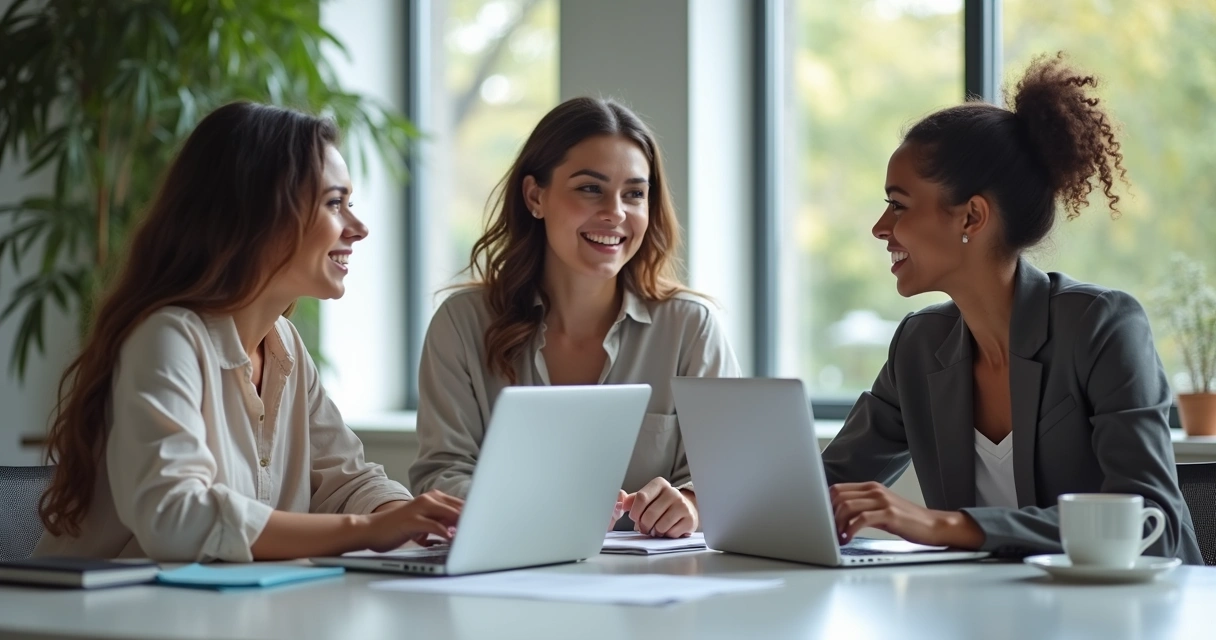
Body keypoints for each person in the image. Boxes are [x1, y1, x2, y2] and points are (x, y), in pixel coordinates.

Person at [35, 102, 461, 562]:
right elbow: (175, 518)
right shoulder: (167, 338)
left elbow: (348, 480)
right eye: (335, 203)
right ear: (259, 213)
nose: (358, 228)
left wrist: (420, 522)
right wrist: (367, 529)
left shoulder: (286, 348)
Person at [822, 54, 1203, 563]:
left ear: (972, 216)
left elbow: (1153, 524)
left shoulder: (1101, 328)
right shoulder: (920, 345)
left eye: (898, 204)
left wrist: (944, 525)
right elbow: (820, 487)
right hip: (994, 613)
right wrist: (693, 503)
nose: (880, 228)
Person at [408, 97, 740, 538]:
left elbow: (731, 481)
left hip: (653, 591)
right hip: (509, 578)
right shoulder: (460, 324)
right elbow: (441, 475)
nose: (616, 212)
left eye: (635, 194)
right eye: (590, 188)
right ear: (535, 196)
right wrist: (534, 511)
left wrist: (692, 506)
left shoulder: (690, 327)